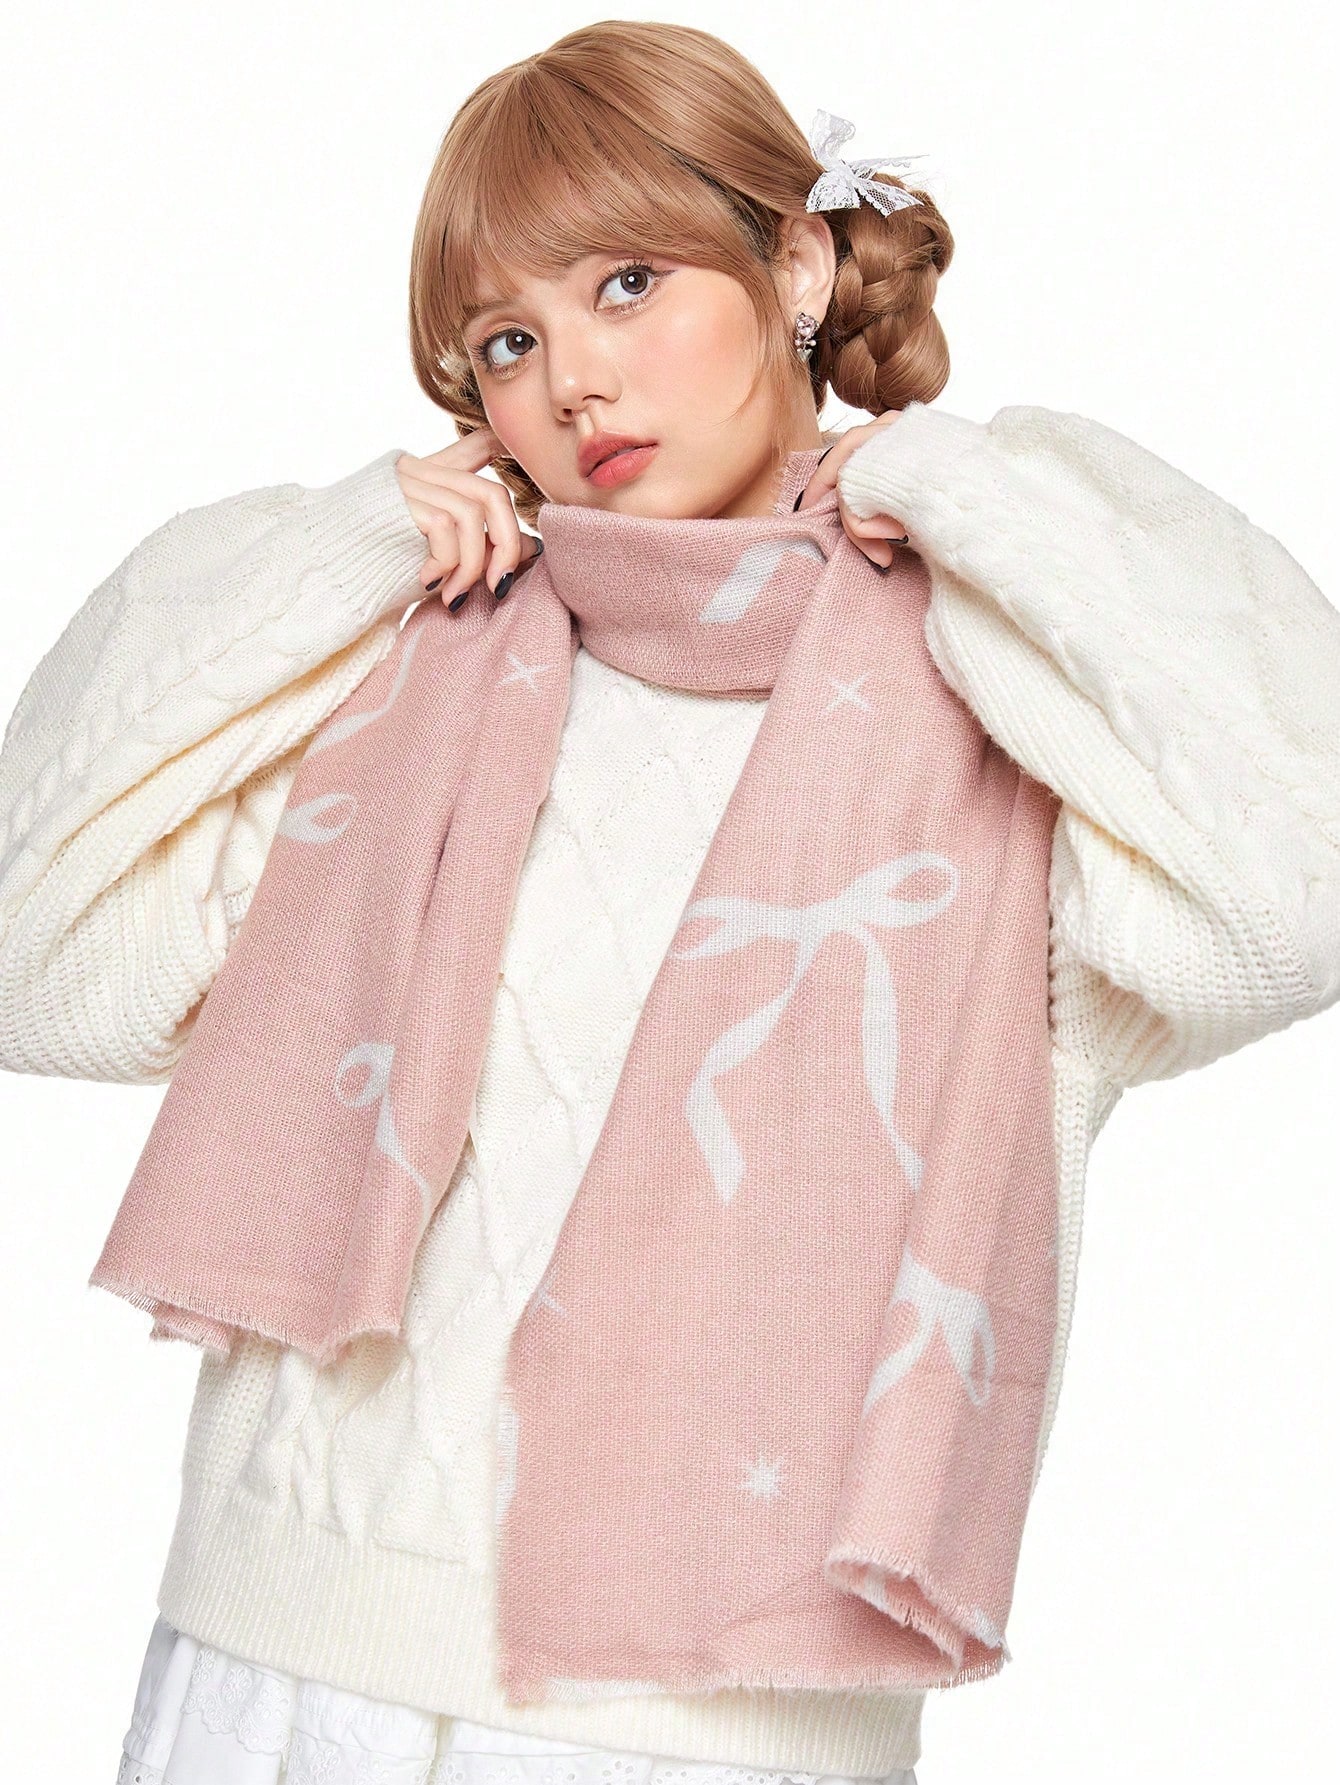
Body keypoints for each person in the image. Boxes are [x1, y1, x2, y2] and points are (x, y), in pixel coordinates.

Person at [2, 19, 1337, 1785]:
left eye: (627, 283)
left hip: (714, 1735)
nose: (574, 381)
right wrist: (343, 546)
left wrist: (956, 487)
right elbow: (34, 952)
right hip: (276, 1683)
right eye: (509, 340)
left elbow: (1298, 877)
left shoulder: (1003, 726)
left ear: (794, 265)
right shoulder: (402, 692)